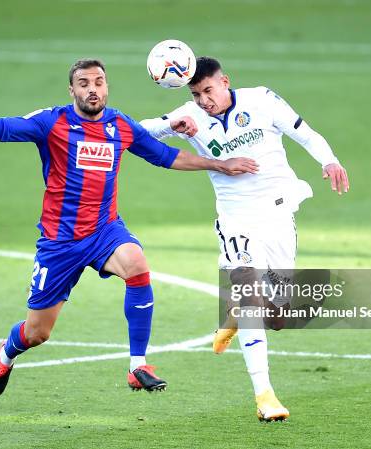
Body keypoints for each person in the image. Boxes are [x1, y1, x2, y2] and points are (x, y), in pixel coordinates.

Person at [0, 59, 258, 397]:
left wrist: (219, 164)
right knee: (37, 332)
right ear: (72, 90)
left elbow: (164, 155)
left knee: (137, 265)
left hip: (104, 231)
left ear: (106, 87)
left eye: (99, 82)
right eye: (84, 83)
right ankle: (6, 353)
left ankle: (137, 365)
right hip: (60, 241)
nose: (92, 89)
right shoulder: (52, 121)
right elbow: (5, 129)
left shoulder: (120, 125)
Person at [140, 56, 349, 421]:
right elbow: (137, 131)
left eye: (208, 90)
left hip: (279, 214)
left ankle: (235, 313)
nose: (204, 100)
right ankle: (264, 395)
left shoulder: (261, 99)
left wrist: (328, 160)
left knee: (278, 317)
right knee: (251, 293)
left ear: (225, 82)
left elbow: (304, 131)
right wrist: (171, 123)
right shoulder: (190, 115)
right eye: (196, 93)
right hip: (236, 220)